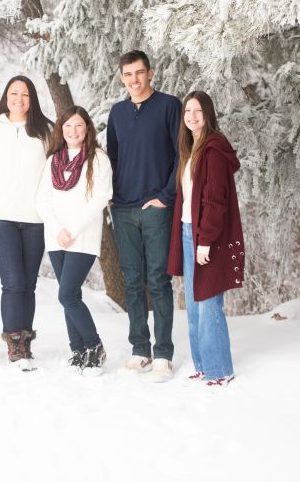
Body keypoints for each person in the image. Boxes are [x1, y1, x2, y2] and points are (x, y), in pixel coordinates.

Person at [107, 49, 181, 382]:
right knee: (133, 281)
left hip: (156, 207)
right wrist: (112, 198)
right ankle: (141, 350)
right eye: (127, 74)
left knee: (158, 281)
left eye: (139, 73)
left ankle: (164, 354)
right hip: (123, 208)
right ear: (122, 78)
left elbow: (182, 155)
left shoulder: (168, 106)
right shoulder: (118, 113)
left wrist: (165, 197)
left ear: (150, 73)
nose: (134, 80)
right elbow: (112, 157)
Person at [167, 91, 244, 386]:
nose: (192, 116)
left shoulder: (213, 150)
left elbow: (214, 201)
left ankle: (219, 369)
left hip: (205, 237)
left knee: (209, 303)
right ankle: (202, 364)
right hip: (189, 232)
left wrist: (205, 241)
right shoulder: (192, 148)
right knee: (195, 304)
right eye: (188, 111)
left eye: (198, 111)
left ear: (208, 114)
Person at [36, 106, 112, 373]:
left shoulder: (97, 159)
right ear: (61, 129)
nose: (73, 131)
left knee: (67, 294)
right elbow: (42, 200)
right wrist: (58, 229)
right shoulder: (53, 161)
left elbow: (100, 197)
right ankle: (79, 350)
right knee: (70, 295)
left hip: (82, 237)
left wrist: (73, 229)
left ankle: (95, 346)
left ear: (87, 129)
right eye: (68, 126)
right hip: (57, 238)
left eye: (79, 126)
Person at [0, 76, 52, 366]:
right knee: (12, 281)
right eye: (14, 93)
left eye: (25, 94)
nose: (19, 99)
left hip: (35, 217)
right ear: (6, 96)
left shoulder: (45, 130)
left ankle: (25, 339)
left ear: (32, 99)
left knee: (29, 283)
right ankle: (13, 342)